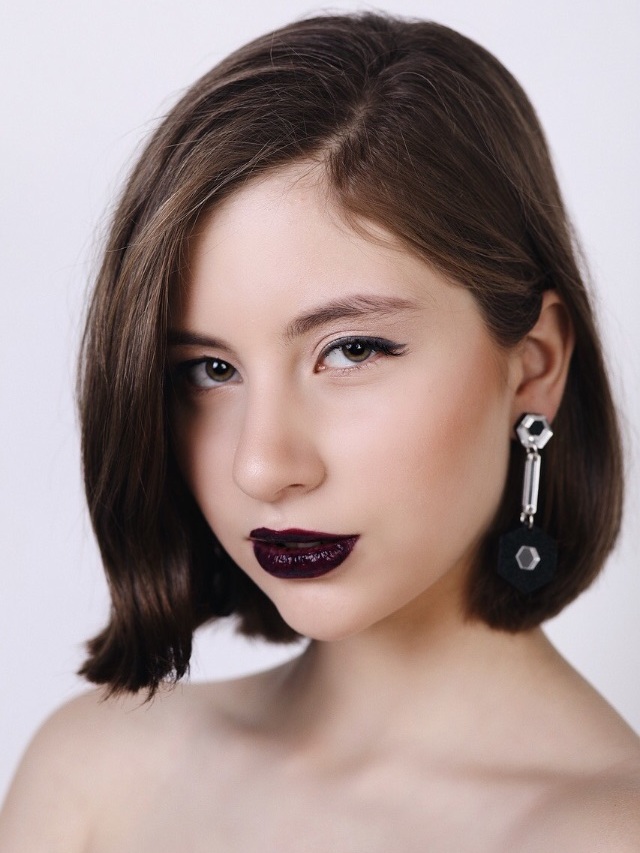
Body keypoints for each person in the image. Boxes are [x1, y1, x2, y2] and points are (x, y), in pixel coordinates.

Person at [1, 12, 639, 850]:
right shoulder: (93, 773)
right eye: (211, 369)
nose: (263, 466)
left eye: (352, 350)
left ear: (534, 365)